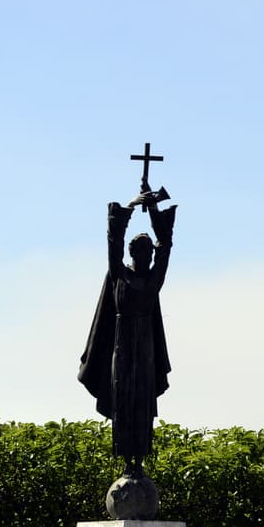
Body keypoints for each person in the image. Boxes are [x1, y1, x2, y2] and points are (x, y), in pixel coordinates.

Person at [79, 194, 176, 477]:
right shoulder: (119, 275)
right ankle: (125, 461)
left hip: (145, 348)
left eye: (149, 253)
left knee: (142, 401)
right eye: (141, 252)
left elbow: (166, 247)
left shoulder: (153, 281)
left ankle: (139, 460)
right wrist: (132, 205)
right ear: (133, 253)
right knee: (122, 399)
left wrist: (154, 208)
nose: (146, 256)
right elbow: (113, 244)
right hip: (121, 347)